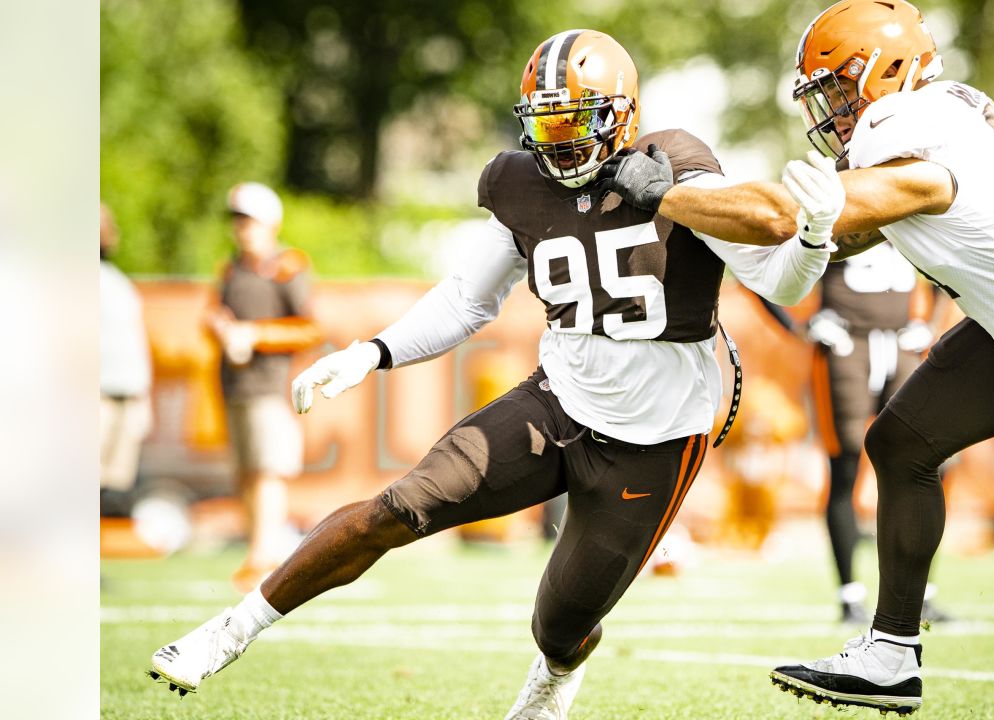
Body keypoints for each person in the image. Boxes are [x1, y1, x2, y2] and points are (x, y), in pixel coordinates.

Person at [149, 30, 836, 719]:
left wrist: (812, 235)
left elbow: (778, 282)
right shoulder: (522, 186)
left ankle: (553, 678)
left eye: (576, 120)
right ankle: (231, 630)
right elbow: (465, 300)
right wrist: (370, 352)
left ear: (620, 115)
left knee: (560, 626)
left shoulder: (677, 166)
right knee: (392, 511)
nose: (561, 140)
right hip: (557, 403)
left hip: (655, 439)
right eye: (547, 123)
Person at [600, 1, 994, 713]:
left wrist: (672, 196)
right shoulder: (930, 123)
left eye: (837, 89)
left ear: (885, 74)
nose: (830, 110)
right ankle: (890, 652)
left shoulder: (909, 129)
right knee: (901, 442)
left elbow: (782, 217)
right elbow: (841, 232)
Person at [756, 248, 946, 625]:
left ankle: (919, 594)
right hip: (845, 345)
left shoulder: (911, 201)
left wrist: (932, 320)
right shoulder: (833, 204)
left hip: (903, 341)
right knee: (845, 467)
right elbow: (758, 267)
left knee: (924, 465)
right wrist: (798, 325)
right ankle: (850, 596)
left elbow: (950, 258)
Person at [207, 182, 322, 592]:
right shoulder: (232, 268)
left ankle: (264, 553)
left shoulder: (287, 266)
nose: (241, 229)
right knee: (244, 473)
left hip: (269, 387)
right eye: (237, 220)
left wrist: (254, 335)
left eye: (248, 220)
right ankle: (258, 549)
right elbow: (215, 315)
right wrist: (220, 328)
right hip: (234, 385)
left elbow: (309, 327)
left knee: (267, 471)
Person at [100, 202, 153, 515]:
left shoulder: (118, 282)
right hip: (96, 393)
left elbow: (134, 341)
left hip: (125, 391)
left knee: (110, 486)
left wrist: (142, 393)